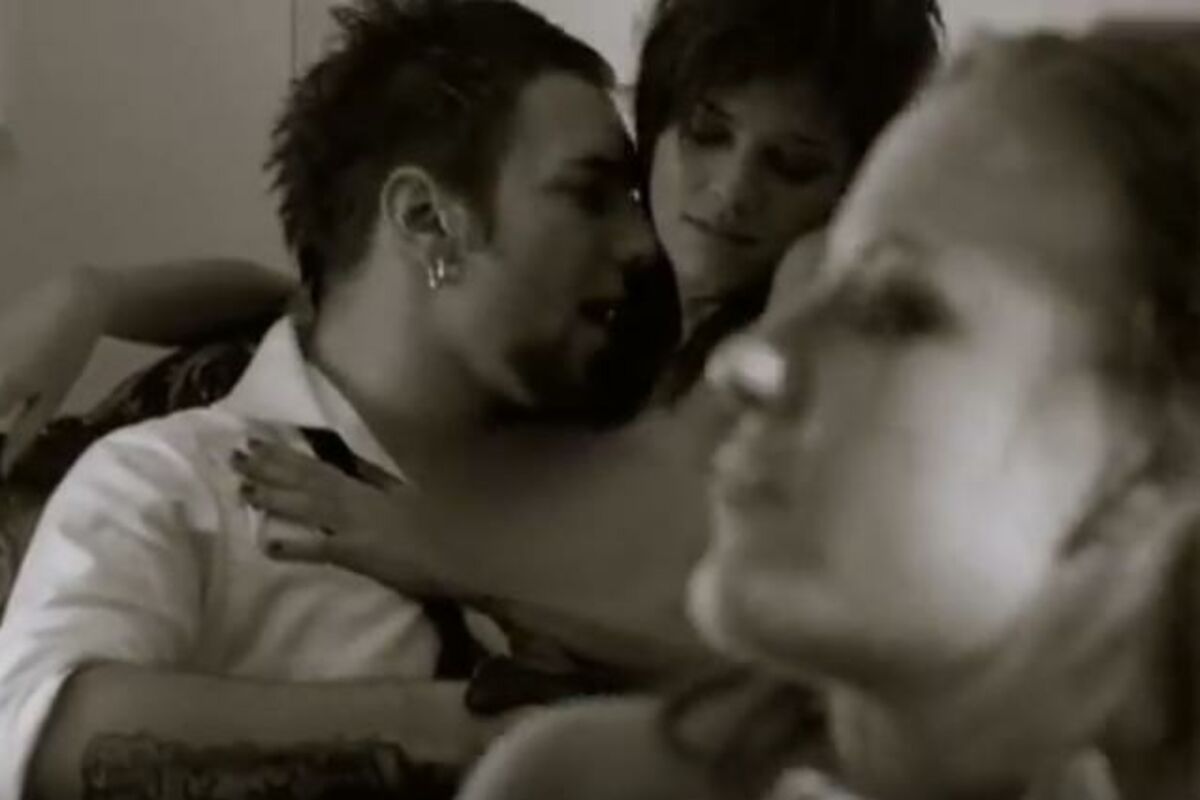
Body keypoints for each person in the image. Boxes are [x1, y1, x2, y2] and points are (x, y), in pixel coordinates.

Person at [0, 0, 943, 652]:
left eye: (792, 166)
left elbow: (770, 642)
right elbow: (307, 295)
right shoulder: (595, 298)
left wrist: (443, 557)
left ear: (852, 185)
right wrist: (91, 296)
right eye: (706, 133)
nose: (732, 190)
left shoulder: (807, 332)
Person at [457, 24, 1200, 800]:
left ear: (1151, 458)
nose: (745, 363)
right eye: (827, 285)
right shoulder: (577, 781)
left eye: (898, 311)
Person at [0, 1, 663, 797]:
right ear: (426, 219)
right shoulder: (175, 482)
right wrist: (477, 731)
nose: (641, 244)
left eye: (634, 204)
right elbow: (41, 740)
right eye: (590, 196)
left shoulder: (598, 509)